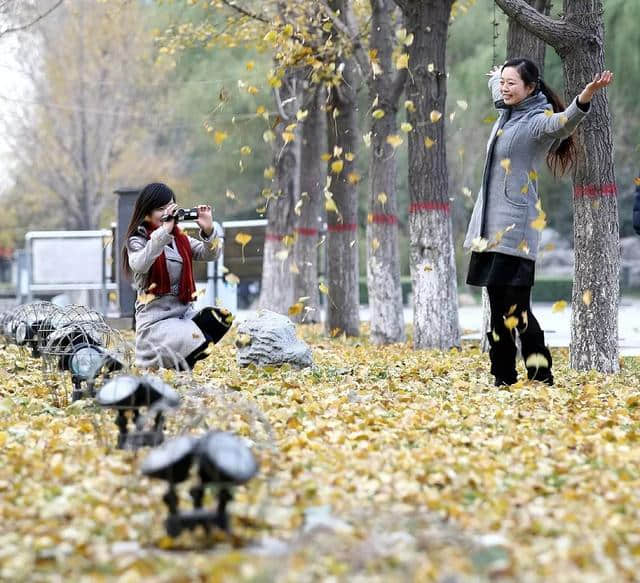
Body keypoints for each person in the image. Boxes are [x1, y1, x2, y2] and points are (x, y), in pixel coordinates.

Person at [463, 58, 613, 386]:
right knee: (498, 309)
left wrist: (584, 98)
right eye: (503, 82)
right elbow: (497, 91)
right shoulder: (506, 110)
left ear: (530, 88)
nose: (504, 88)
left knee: (518, 310)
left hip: (516, 229)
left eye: (511, 83)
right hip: (489, 231)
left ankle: (540, 373)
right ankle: (502, 376)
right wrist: (496, 78)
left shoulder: (535, 121)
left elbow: (562, 124)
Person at [121, 182, 230, 370]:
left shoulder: (180, 239)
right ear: (146, 211)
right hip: (156, 321)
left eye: (170, 207)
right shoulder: (138, 240)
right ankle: (169, 360)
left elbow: (211, 254)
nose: (166, 213)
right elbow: (139, 263)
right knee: (194, 337)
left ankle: (182, 363)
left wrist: (208, 230)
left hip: (183, 313)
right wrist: (164, 232)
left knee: (219, 320)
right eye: (160, 209)